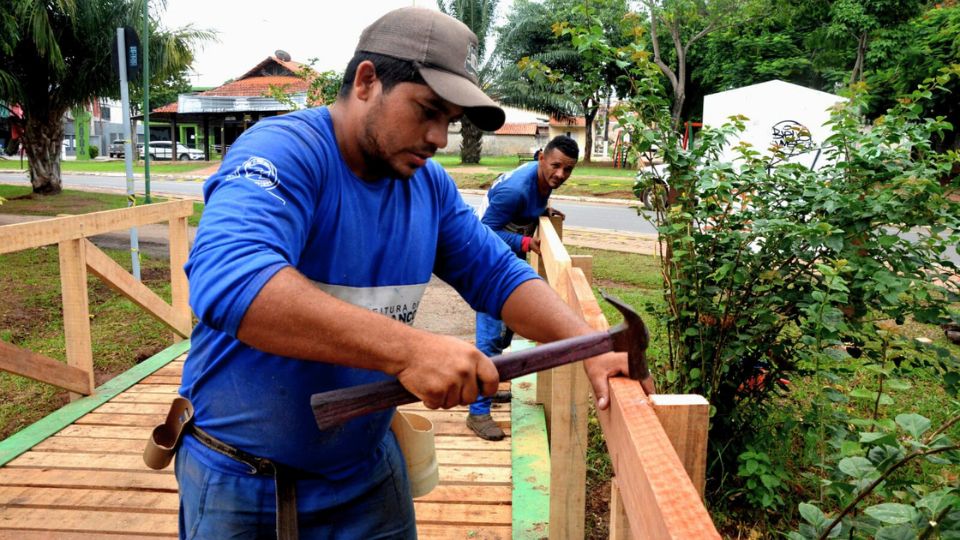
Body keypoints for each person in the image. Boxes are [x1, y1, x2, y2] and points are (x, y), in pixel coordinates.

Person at [174, 7, 653, 539]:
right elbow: (231, 280)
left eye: (448, 121)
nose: (439, 138)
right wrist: (410, 350)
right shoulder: (286, 153)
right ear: (366, 81)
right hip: (245, 484)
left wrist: (590, 344)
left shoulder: (426, 185)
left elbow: (496, 274)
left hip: (366, 470)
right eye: (427, 110)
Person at [466, 135, 579, 440]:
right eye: (555, 166)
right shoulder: (515, 189)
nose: (560, 175)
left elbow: (527, 208)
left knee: (504, 336)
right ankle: (477, 413)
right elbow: (483, 232)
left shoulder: (541, 183)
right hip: (485, 263)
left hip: (505, 262)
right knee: (490, 340)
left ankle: (488, 388)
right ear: (541, 158)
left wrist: (543, 213)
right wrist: (525, 242)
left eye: (567, 170)